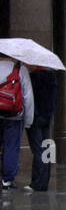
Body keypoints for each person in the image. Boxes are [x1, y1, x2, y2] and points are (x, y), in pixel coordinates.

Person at [0, 56, 33, 189]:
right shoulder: (20, 70)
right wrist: (28, 121)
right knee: (11, 147)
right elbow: (28, 97)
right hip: (14, 117)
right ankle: (7, 180)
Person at [26, 66, 56, 192]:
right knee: (47, 149)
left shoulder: (33, 77)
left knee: (38, 150)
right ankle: (44, 182)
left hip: (35, 116)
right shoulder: (51, 77)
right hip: (47, 116)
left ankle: (37, 183)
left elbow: (28, 98)